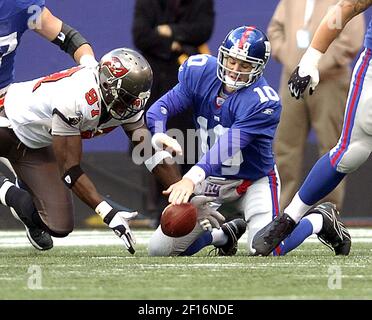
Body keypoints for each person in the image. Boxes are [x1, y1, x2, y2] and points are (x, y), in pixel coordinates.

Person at [145, 26, 350, 257]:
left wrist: (191, 179)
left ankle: (319, 220)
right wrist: (159, 132)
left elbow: (227, 146)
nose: (235, 70)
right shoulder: (200, 72)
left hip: (252, 182)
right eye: (232, 60)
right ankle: (224, 235)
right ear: (223, 55)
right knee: (159, 250)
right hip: (212, 180)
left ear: (258, 68)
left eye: (245, 65)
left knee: (263, 249)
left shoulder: (263, 101)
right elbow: (159, 109)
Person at [0, 47, 180, 253]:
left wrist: (184, 193)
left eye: (136, 99)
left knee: (58, 225)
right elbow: (70, 170)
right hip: (6, 120)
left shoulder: (124, 103)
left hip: (32, 144)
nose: (132, 106)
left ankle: (17, 194)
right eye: (127, 98)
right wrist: (109, 213)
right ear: (108, 86)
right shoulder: (76, 98)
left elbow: (148, 151)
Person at [252, 0, 371, 256]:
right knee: (350, 151)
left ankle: (321, 214)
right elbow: (350, 6)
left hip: (333, 79)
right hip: (345, 70)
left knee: (339, 145)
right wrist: (309, 59)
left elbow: (348, 29)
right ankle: (288, 218)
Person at [267, 0, 365, 211]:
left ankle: (328, 211)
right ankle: (281, 210)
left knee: (332, 146)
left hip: (331, 81)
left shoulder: (344, 1)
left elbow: (351, 39)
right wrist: (292, 59)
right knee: (285, 146)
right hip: (293, 78)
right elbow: (275, 29)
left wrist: (317, 63)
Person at [132, 0, 215, 227]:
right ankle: (159, 208)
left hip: (187, 82)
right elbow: (141, 35)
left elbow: (203, 30)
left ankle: (193, 204)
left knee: (189, 144)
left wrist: (168, 31)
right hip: (156, 80)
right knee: (153, 144)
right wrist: (175, 44)